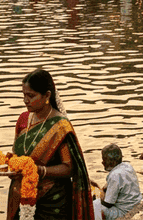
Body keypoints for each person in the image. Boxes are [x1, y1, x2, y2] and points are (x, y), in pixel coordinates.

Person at [9, 69, 94, 220]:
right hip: (21, 194)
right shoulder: (22, 120)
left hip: (53, 202)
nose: (25, 100)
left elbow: (69, 168)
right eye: (24, 95)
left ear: (47, 95)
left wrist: (40, 170)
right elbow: (17, 154)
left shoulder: (61, 126)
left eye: (31, 95)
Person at [99, 144, 141, 219]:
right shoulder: (127, 166)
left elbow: (108, 204)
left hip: (125, 211)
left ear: (110, 161)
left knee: (95, 207)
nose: (102, 162)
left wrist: (98, 200)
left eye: (104, 159)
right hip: (136, 204)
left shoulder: (114, 175)